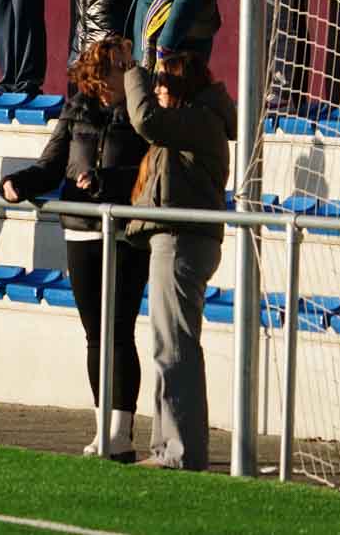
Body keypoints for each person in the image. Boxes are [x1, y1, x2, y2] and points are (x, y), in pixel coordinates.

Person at [0, 35, 149, 459]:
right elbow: (51, 166)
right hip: (80, 228)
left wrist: (108, 185)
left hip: (125, 232)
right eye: (118, 64)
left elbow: (149, 176)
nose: (126, 71)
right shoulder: (76, 110)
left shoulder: (142, 115)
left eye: (126, 64)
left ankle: (122, 432)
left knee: (120, 330)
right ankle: (103, 427)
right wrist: (17, 184)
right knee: (94, 334)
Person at [123, 50, 235, 471]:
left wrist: (133, 72)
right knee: (167, 346)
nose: (157, 91)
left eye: (163, 83)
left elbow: (145, 120)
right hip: (175, 241)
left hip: (182, 242)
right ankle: (168, 447)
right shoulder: (195, 122)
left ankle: (180, 451)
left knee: (175, 348)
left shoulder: (199, 122)